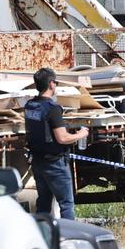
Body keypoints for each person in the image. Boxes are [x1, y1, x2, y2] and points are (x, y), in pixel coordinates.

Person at [25, 67, 88, 220]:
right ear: (51, 84)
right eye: (56, 83)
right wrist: (81, 134)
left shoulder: (29, 106)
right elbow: (62, 138)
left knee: (44, 204)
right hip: (55, 163)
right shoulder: (52, 109)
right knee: (66, 204)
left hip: (38, 162)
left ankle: (43, 238)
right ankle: (69, 238)